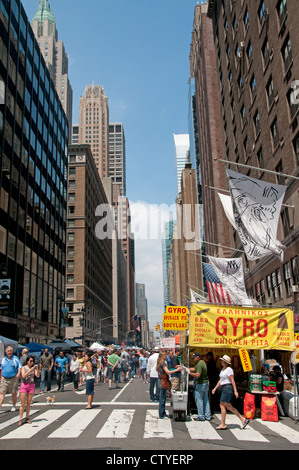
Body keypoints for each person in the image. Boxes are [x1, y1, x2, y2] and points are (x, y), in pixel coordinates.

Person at [212, 355, 249, 430]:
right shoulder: (223, 369)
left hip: (227, 388)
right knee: (229, 406)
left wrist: (235, 391)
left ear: (226, 362)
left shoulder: (229, 370)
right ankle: (242, 419)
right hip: (224, 387)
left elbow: (232, 380)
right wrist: (215, 388)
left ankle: (223, 424)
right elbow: (221, 380)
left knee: (222, 405)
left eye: (222, 361)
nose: (221, 362)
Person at [156, 351, 182, 420]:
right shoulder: (162, 363)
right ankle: (161, 414)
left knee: (163, 397)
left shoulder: (159, 363)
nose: (167, 357)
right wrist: (177, 370)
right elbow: (168, 372)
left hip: (161, 380)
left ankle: (163, 413)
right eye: (165, 355)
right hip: (163, 381)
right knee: (162, 398)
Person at [188, 352, 211, 421]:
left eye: (194, 358)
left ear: (198, 357)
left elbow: (197, 374)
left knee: (199, 400)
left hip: (200, 384)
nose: (193, 359)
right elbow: (195, 369)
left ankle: (201, 416)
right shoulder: (202, 362)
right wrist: (187, 368)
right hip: (205, 383)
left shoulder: (199, 364)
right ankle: (207, 415)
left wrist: (190, 373)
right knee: (206, 400)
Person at [18, 355, 40, 426]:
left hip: (31, 385)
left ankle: (27, 417)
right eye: (30, 361)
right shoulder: (23, 368)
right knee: (22, 403)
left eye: (33, 361)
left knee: (29, 402)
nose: (31, 362)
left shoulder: (33, 368)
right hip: (24, 385)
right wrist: (31, 370)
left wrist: (38, 369)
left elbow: (37, 375)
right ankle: (20, 419)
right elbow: (23, 376)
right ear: (27, 361)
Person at [0, 346, 22, 412]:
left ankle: (14, 405)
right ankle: (0, 405)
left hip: (13, 378)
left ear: (12, 352)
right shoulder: (3, 359)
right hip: (4, 378)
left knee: (14, 393)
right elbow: (1, 369)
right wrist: (0, 377)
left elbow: (19, 367)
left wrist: (18, 373)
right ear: (6, 352)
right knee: (2, 392)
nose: (9, 352)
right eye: (8, 351)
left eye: (10, 351)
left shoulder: (15, 359)